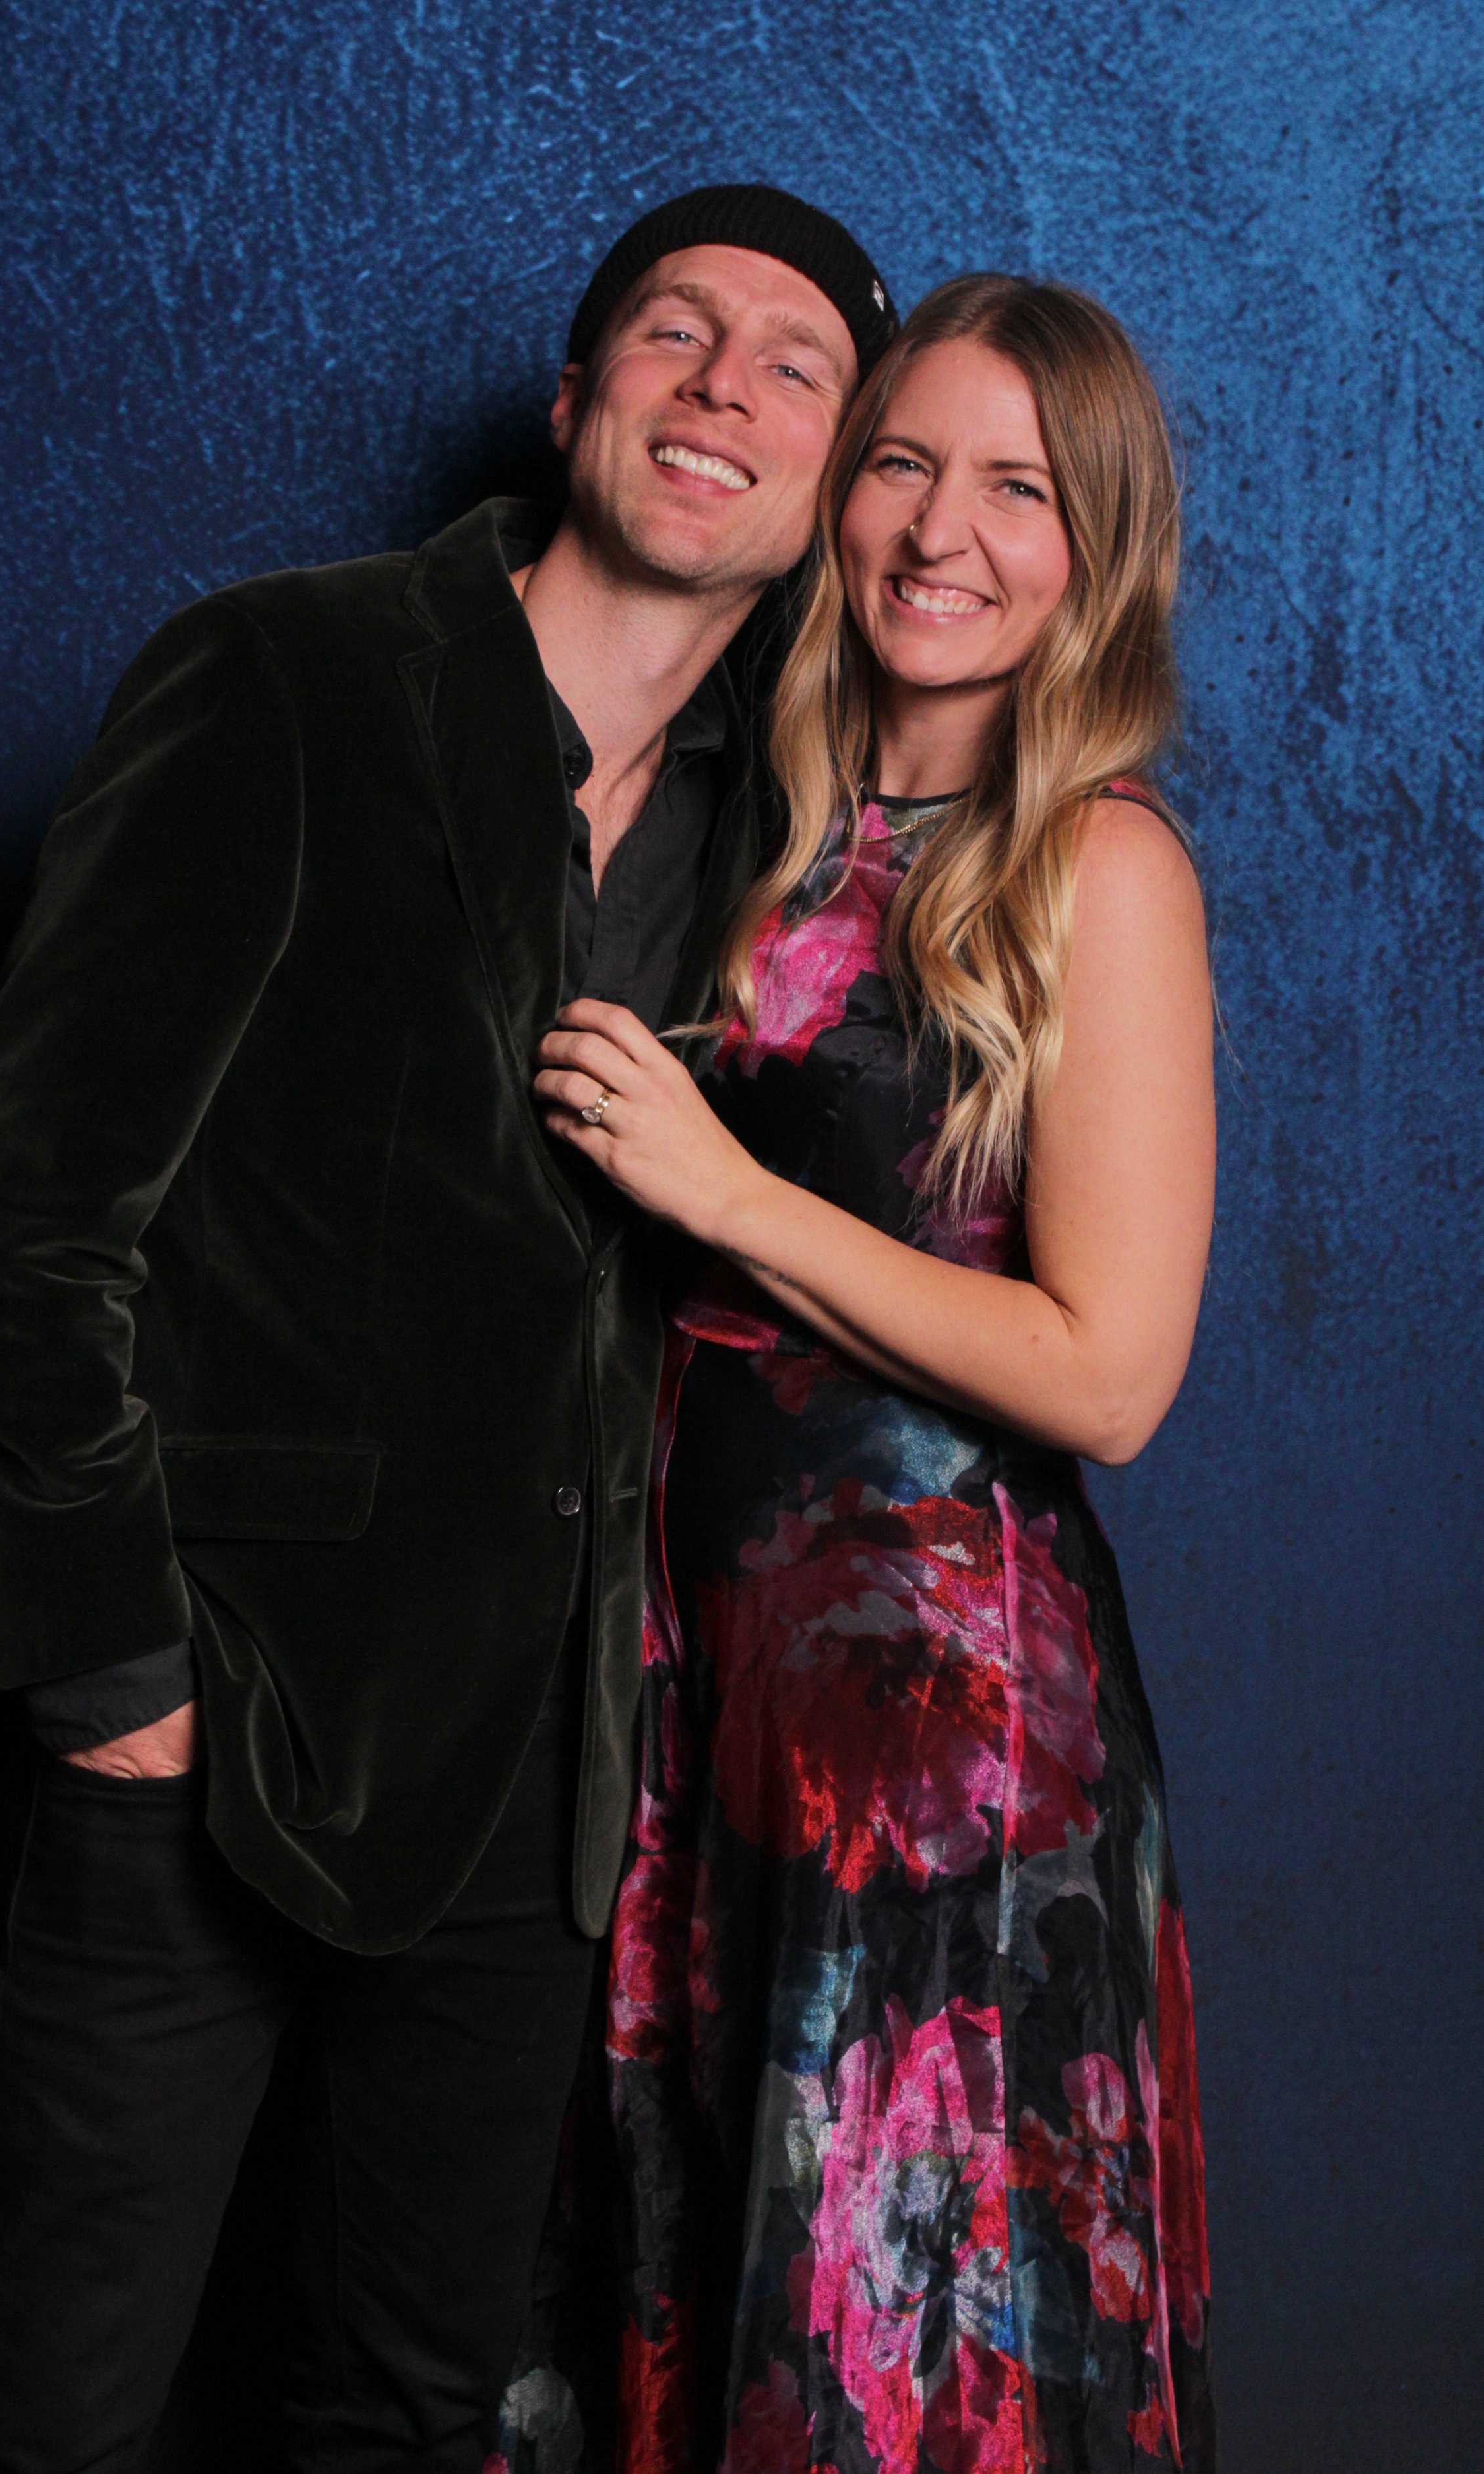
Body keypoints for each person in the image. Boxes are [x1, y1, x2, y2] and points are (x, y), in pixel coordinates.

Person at [0, 187, 898, 2474]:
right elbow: (29, 1213)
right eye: (672, 331)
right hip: (211, 1716)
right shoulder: (287, 673)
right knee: (48, 2400)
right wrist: (110, 1675)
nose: (719, 380)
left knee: (410, 2409)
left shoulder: (790, 844)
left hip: (541, 1788)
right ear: (575, 403)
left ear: (827, 495)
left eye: (788, 363)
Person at [532, 276, 1218, 2471]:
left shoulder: (1094, 868)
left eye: (1020, 489)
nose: (942, 531)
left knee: (895, 2367)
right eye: (905, 462)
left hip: (937, 1761)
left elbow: (1107, 1374)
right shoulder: (751, 833)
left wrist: (722, 1195)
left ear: (1091, 551)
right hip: (685, 1703)